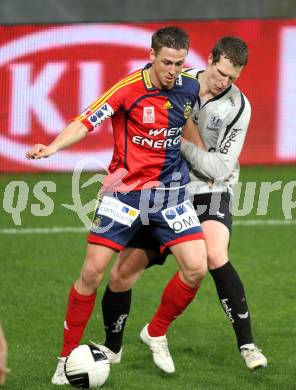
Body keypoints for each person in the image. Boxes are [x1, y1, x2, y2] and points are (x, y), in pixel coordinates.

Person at [26, 26, 208, 385]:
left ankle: (155, 332)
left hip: (169, 194)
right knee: (92, 274)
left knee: (197, 267)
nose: (174, 70)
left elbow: (185, 122)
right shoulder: (127, 89)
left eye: (180, 63)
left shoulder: (189, 86)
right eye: (168, 62)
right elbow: (86, 121)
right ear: (152, 56)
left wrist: (206, 161)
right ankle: (65, 358)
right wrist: (52, 147)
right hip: (123, 193)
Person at [98, 36, 267, 373]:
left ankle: (247, 345)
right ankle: (111, 348)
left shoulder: (238, 107)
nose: (224, 83)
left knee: (213, 255)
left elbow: (219, 168)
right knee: (121, 274)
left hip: (210, 190)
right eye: (220, 73)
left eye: (232, 78)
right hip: (164, 189)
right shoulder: (179, 81)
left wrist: (176, 143)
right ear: (209, 59)